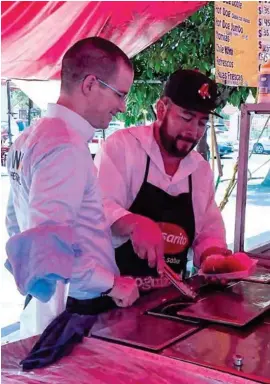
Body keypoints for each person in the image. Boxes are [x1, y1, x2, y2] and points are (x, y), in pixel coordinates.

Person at [5, 37, 139, 336]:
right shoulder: (64, 145)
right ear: (90, 84)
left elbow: (16, 223)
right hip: (76, 309)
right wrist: (111, 283)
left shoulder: (29, 137)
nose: (122, 106)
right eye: (119, 94)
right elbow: (49, 249)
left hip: (57, 302)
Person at [95, 69, 232, 292]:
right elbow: (97, 208)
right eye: (186, 117)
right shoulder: (123, 148)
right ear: (161, 109)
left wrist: (212, 256)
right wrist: (134, 223)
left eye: (201, 122)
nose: (193, 131)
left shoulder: (200, 170)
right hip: (114, 300)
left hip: (167, 299)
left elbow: (208, 230)